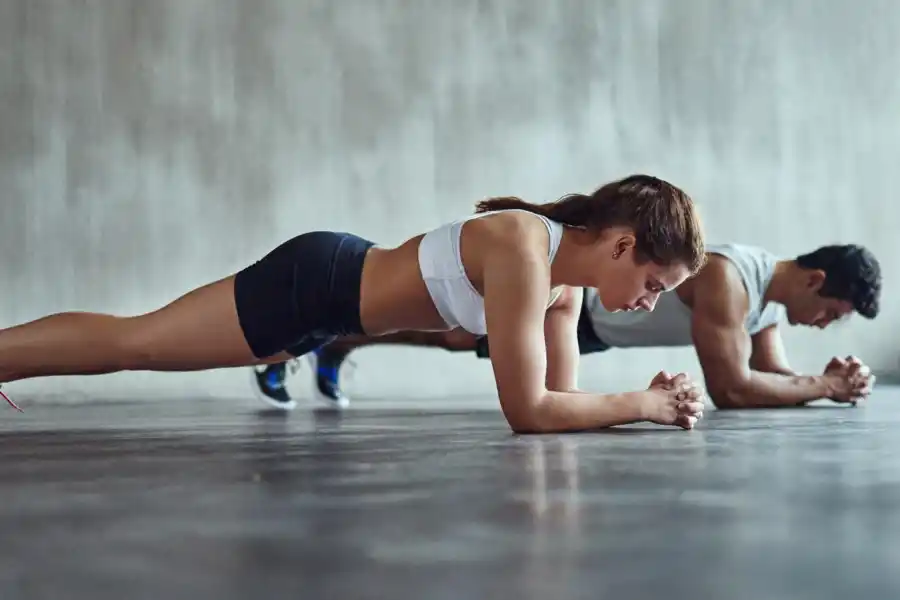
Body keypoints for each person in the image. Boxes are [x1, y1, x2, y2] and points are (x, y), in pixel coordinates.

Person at [0, 174, 708, 432]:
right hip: (317, 283)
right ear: (623, 245)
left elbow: (561, 403)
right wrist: (641, 405)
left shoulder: (562, 288)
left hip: (328, 316)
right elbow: (529, 413)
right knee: (139, 343)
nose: (650, 305)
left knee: (142, 344)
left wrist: (644, 400)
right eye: (655, 285)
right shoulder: (523, 248)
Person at [260, 242, 879, 410]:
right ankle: (319, 336)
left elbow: (771, 375)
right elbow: (734, 389)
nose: (826, 326)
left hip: (598, 330)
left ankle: (334, 342)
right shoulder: (730, 279)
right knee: (450, 330)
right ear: (816, 281)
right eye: (834, 314)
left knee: (452, 336)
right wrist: (823, 388)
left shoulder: (768, 304)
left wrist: (827, 382)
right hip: (583, 306)